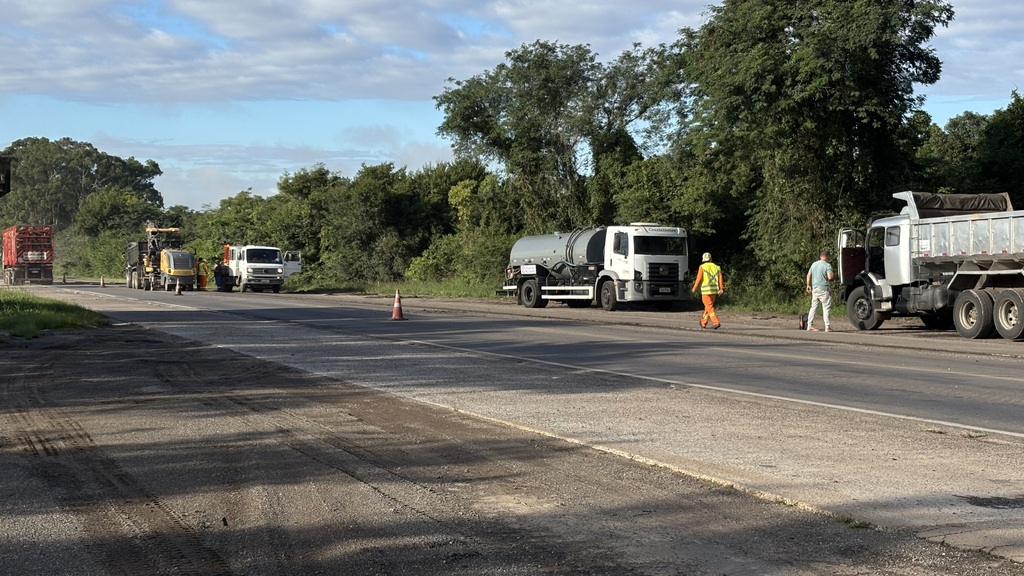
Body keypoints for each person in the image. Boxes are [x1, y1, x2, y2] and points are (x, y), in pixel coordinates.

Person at [691, 252, 725, 329]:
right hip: (714, 291)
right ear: (710, 259)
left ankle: (716, 322)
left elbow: (699, 279)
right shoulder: (717, 267)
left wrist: (694, 288)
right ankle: (703, 322)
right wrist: (721, 288)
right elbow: (720, 279)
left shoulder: (702, 267)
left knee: (709, 307)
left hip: (706, 291)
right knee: (708, 307)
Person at [805, 250, 834, 332]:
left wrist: (808, 285)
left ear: (820, 257)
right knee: (826, 307)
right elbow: (830, 277)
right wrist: (832, 274)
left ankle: (809, 325)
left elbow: (809, 275)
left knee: (813, 307)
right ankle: (827, 327)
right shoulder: (827, 265)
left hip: (815, 288)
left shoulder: (814, 264)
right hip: (824, 289)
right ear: (827, 257)